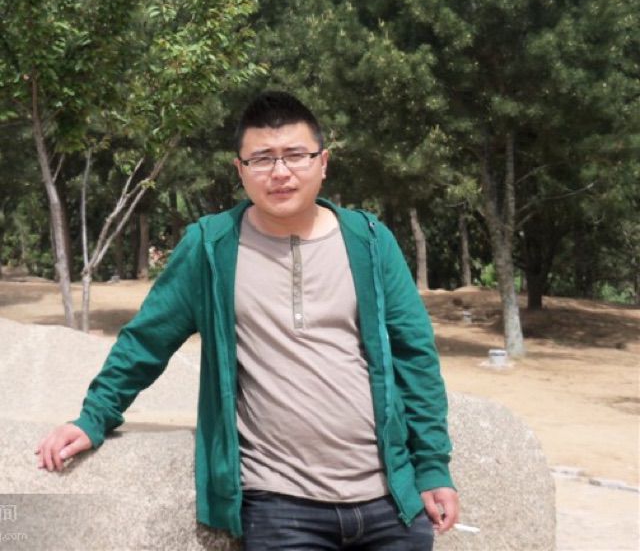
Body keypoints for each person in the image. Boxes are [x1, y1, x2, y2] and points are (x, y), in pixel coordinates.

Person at [36, 91, 459, 550]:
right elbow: (147, 340)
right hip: (280, 506)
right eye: (261, 159)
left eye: (295, 155)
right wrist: (93, 418)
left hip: (389, 501)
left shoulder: (371, 241)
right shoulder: (212, 246)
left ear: (323, 162)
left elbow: (414, 356)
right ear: (240, 170)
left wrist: (432, 467)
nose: (280, 172)